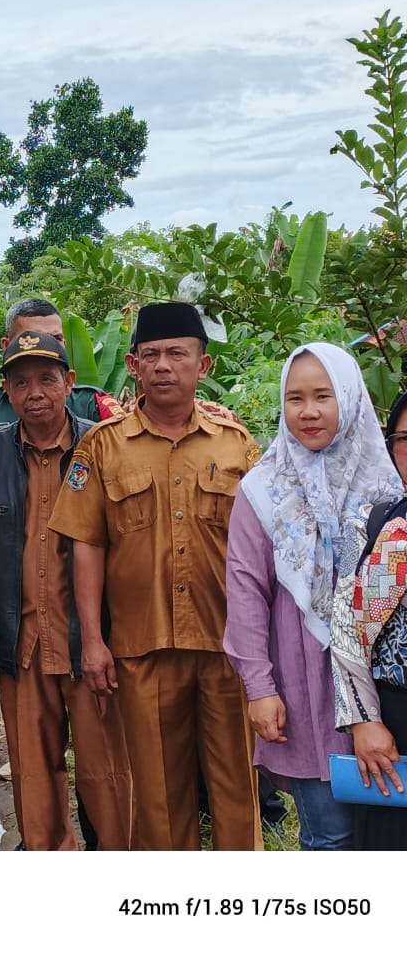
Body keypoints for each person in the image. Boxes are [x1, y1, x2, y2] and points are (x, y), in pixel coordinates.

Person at [48, 301, 262, 850]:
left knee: (239, 786)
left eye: (177, 353)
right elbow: (86, 545)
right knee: (160, 796)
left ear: (203, 366)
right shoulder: (102, 445)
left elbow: (265, 549)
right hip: (142, 648)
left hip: (227, 647)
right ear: (135, 367)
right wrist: (94, 641)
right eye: (151, 355)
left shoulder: (236, 445)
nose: (163, 365)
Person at [225, 343, 400, 850]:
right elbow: (245, 592)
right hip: (303, 689)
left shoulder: (385, 484)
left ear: (348, 398)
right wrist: (259, 688)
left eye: (323, 395)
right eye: (295, 397)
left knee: (388, 836)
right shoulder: (263, 489)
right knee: (330, 839)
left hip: (383, 688)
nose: (308, 411)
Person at [0, 332, 132, 850]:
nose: (34, 392)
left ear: (69, 384)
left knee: (106, 770)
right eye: (21, 382)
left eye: (46, 379)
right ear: (7, 393)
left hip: (91, 641)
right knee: (34, 772)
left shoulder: (102, 446)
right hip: (25, 640)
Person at [328, 389, 407, 848]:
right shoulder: (374, 524)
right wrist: (364, 721)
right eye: (405, 437)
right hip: (393, 721)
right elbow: (347, 632)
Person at [0, 298, 121, 453]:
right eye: (32, 338)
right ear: (7, 345)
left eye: (56, 338)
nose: (47, 346)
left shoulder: (92, 406)